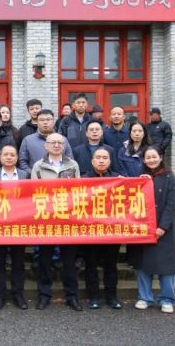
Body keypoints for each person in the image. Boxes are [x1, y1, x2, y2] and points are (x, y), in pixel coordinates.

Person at [29, 132, 83, 311]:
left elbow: (78, 190)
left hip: (68, 219)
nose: (57, 145)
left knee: (69, 261)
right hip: (46, 219)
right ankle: (44, 295)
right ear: (46, 145)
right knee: (44, 261)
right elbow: (33, 192)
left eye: (60, 142)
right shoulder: (38, 166)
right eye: (53, 142)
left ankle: (72, 296)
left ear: (64, 146)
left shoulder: (72, 164)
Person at [132, 147, 175, 314]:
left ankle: (167, 299)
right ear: (143, 160)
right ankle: (144, 297)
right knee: (143, 265)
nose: (151, 160)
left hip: (163, 229)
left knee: (166, 266)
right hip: (144, 228)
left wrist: (163, 226)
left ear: (160, 157)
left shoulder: (170, 178)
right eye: (148, 157)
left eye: (154, 157)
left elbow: (171, 205)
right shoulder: (140, 178)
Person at [0, 145, 30, 310]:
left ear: (17, 158)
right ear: (0, 157)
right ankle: (0, 294)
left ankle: (18, 294)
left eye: (12, 154)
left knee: (18, 262)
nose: (9, 157)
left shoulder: (25, 175)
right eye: (6, 154)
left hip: (19, 224)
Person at [82, 147, 122, 310]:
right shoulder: (83, 179)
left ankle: (112, 297)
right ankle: (93, 296)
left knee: (111, 265)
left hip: (111, 231)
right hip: (91, 231)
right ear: (92, 161)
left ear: (110, 161)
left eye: (105, 158)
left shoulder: (118, 179)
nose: (101, 160)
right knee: (91, 265)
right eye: (98, 157)